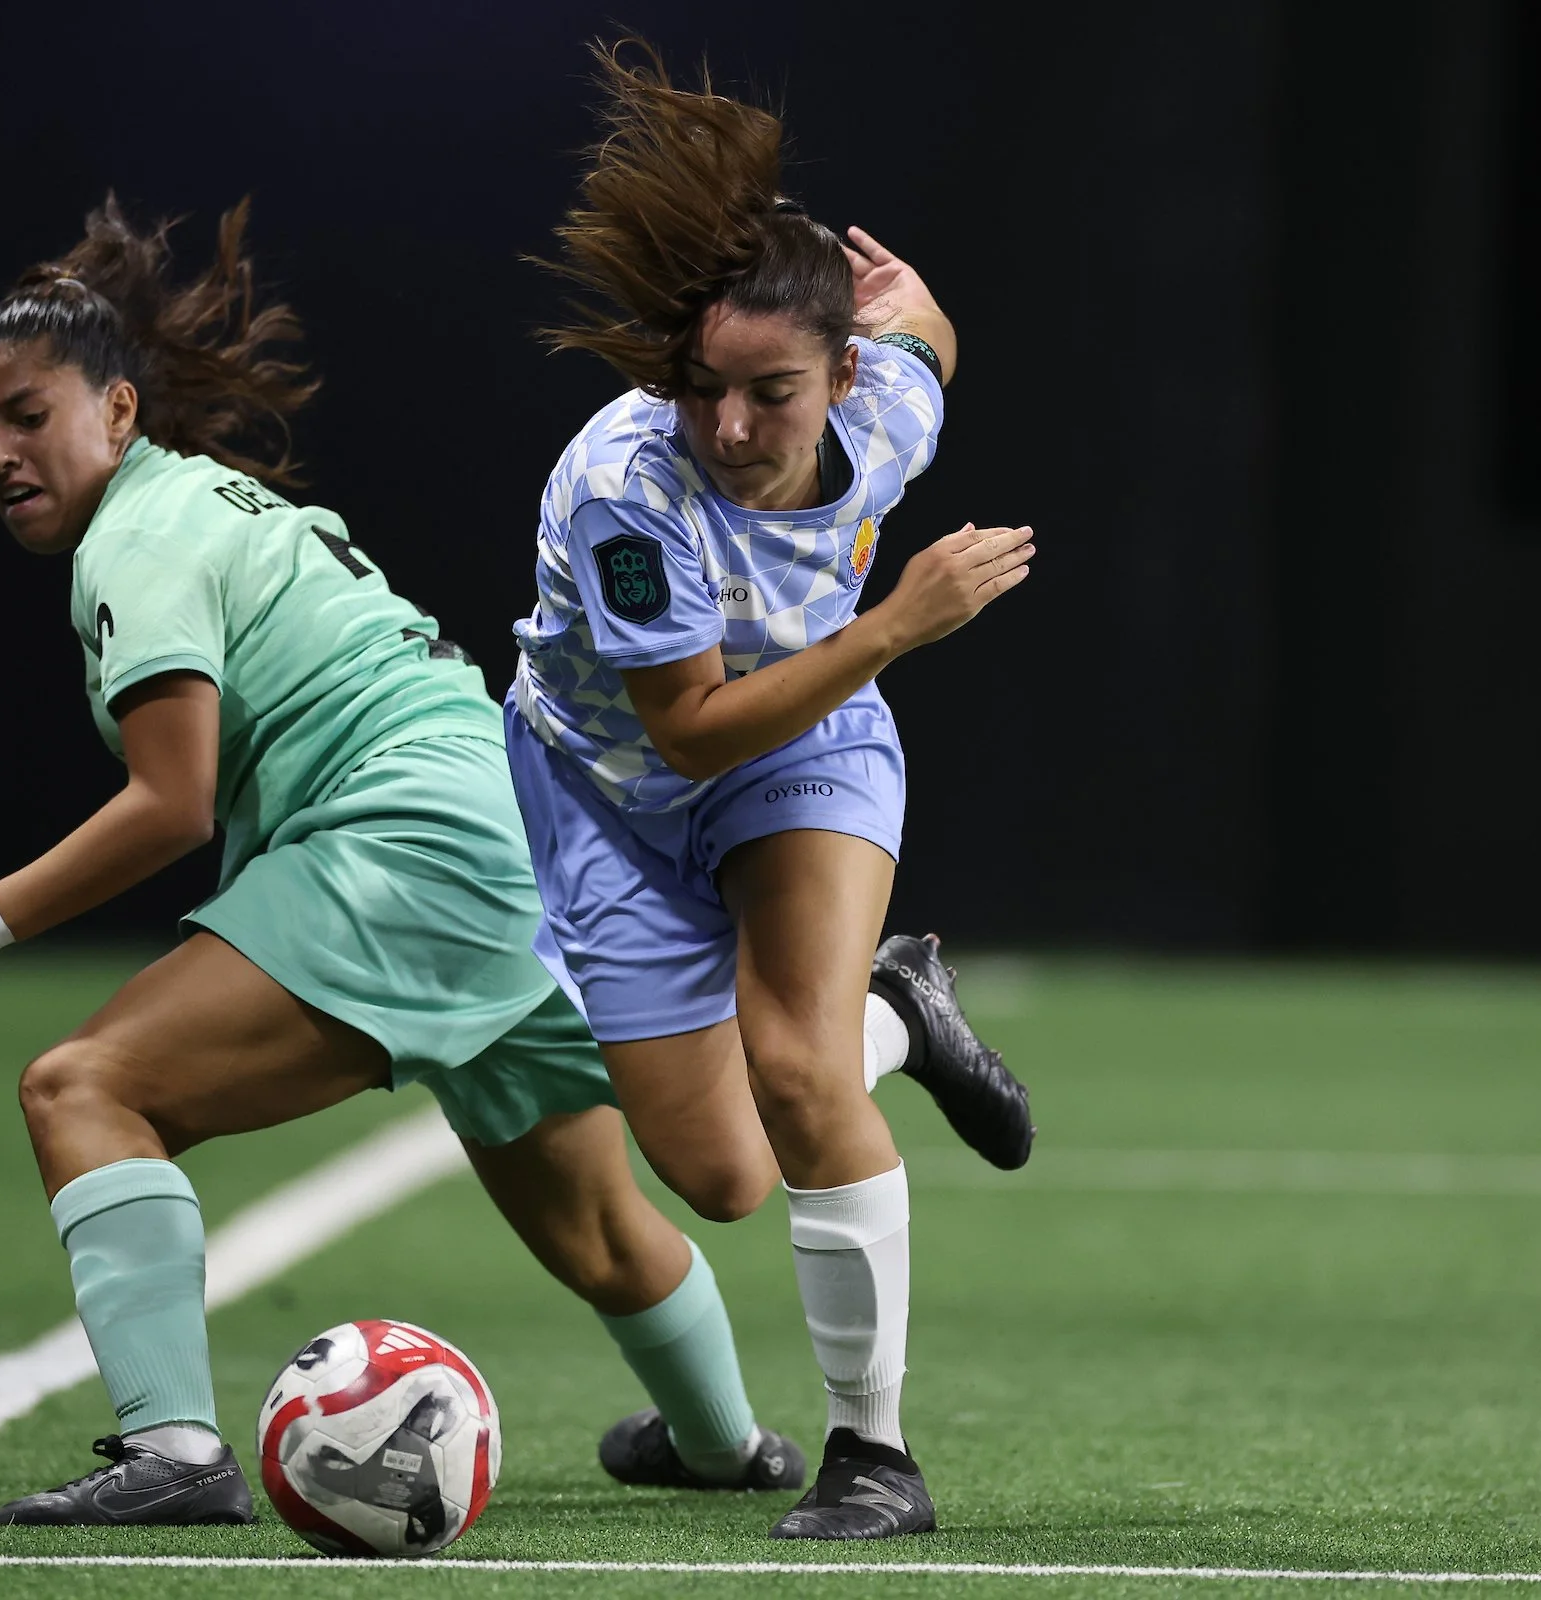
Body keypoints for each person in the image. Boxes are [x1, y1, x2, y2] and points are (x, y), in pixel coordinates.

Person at [0, 197, 816, 1526]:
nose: (1, 452)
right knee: (595, 1221)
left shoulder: (139, 536)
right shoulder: (198, 502)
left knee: (82, 1088)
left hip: (406, 843)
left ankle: (172, 1451)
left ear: (118, 413)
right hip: (507, 833)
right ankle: (722, 1444)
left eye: (28, 415)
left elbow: (170, 805)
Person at [506, 41, 1039, 1540]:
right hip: (610, 791)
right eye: (706, 389)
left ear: (842, 379)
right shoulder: (629, 489)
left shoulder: (884, 417)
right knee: (725, 1173)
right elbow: (684, 732)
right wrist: (895, 625)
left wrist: (907, 289)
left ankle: (873, 1456)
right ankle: (904, 1012)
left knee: (799, 1075)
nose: (733, 428)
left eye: (772, 393)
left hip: (805, 753)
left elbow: (928, 333)